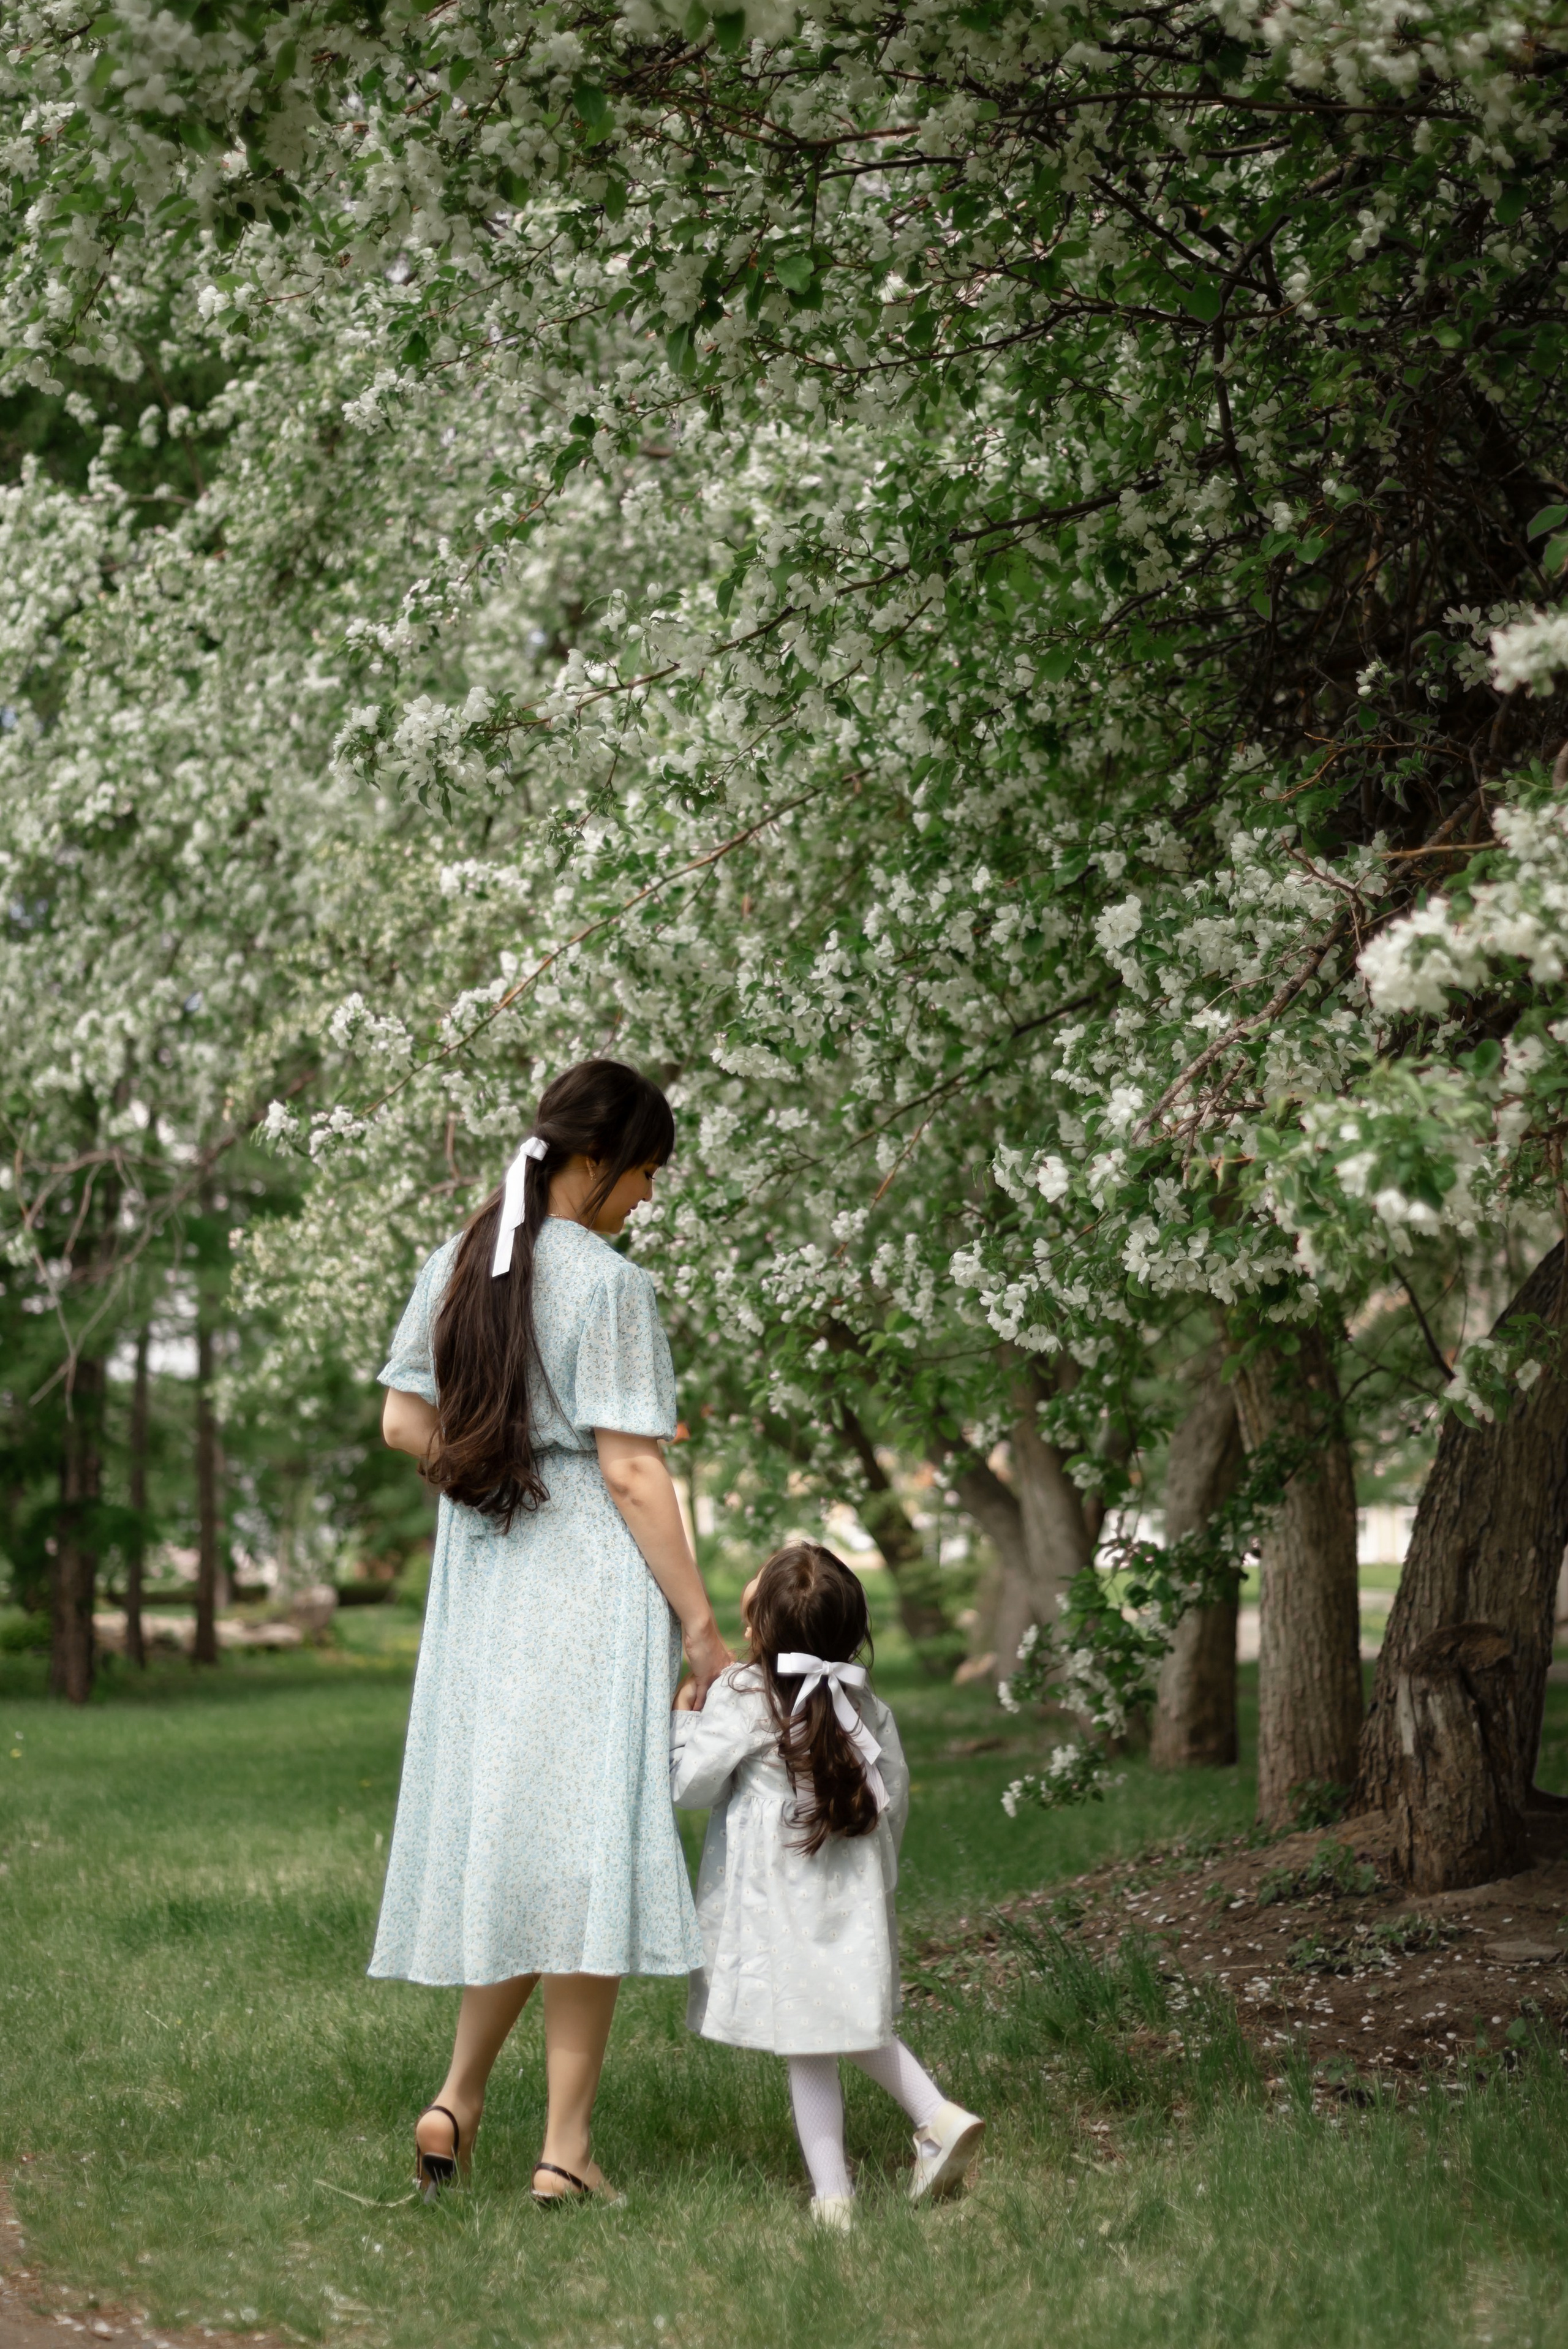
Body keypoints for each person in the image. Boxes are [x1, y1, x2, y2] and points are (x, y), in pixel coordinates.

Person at [373, 1058, 733, 2205]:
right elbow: (631, 1471)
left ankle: (457, 2100)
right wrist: (703, 1627)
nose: (650, 1196)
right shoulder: (609, 1284)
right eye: (647, 1171)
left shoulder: (459, 1257)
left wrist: (485, 1462)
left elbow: (402, 1421)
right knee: (587, 1858)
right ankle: (565, 2150)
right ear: (593, 1159)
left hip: (487, 1581)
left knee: (528, 1846)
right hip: (585, 1582)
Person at [669, 1541, 984, 2228]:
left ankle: (912, 2134)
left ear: (760, 1630)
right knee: (833, 2023)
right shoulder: (862, 1699)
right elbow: (893, 1794)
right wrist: (878, 1873)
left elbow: (691, 1787)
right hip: (850, 1895)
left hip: (779, 1902)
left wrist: (686, 1716)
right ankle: (854, 2179)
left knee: (811, 2037)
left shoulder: (744, 1694)